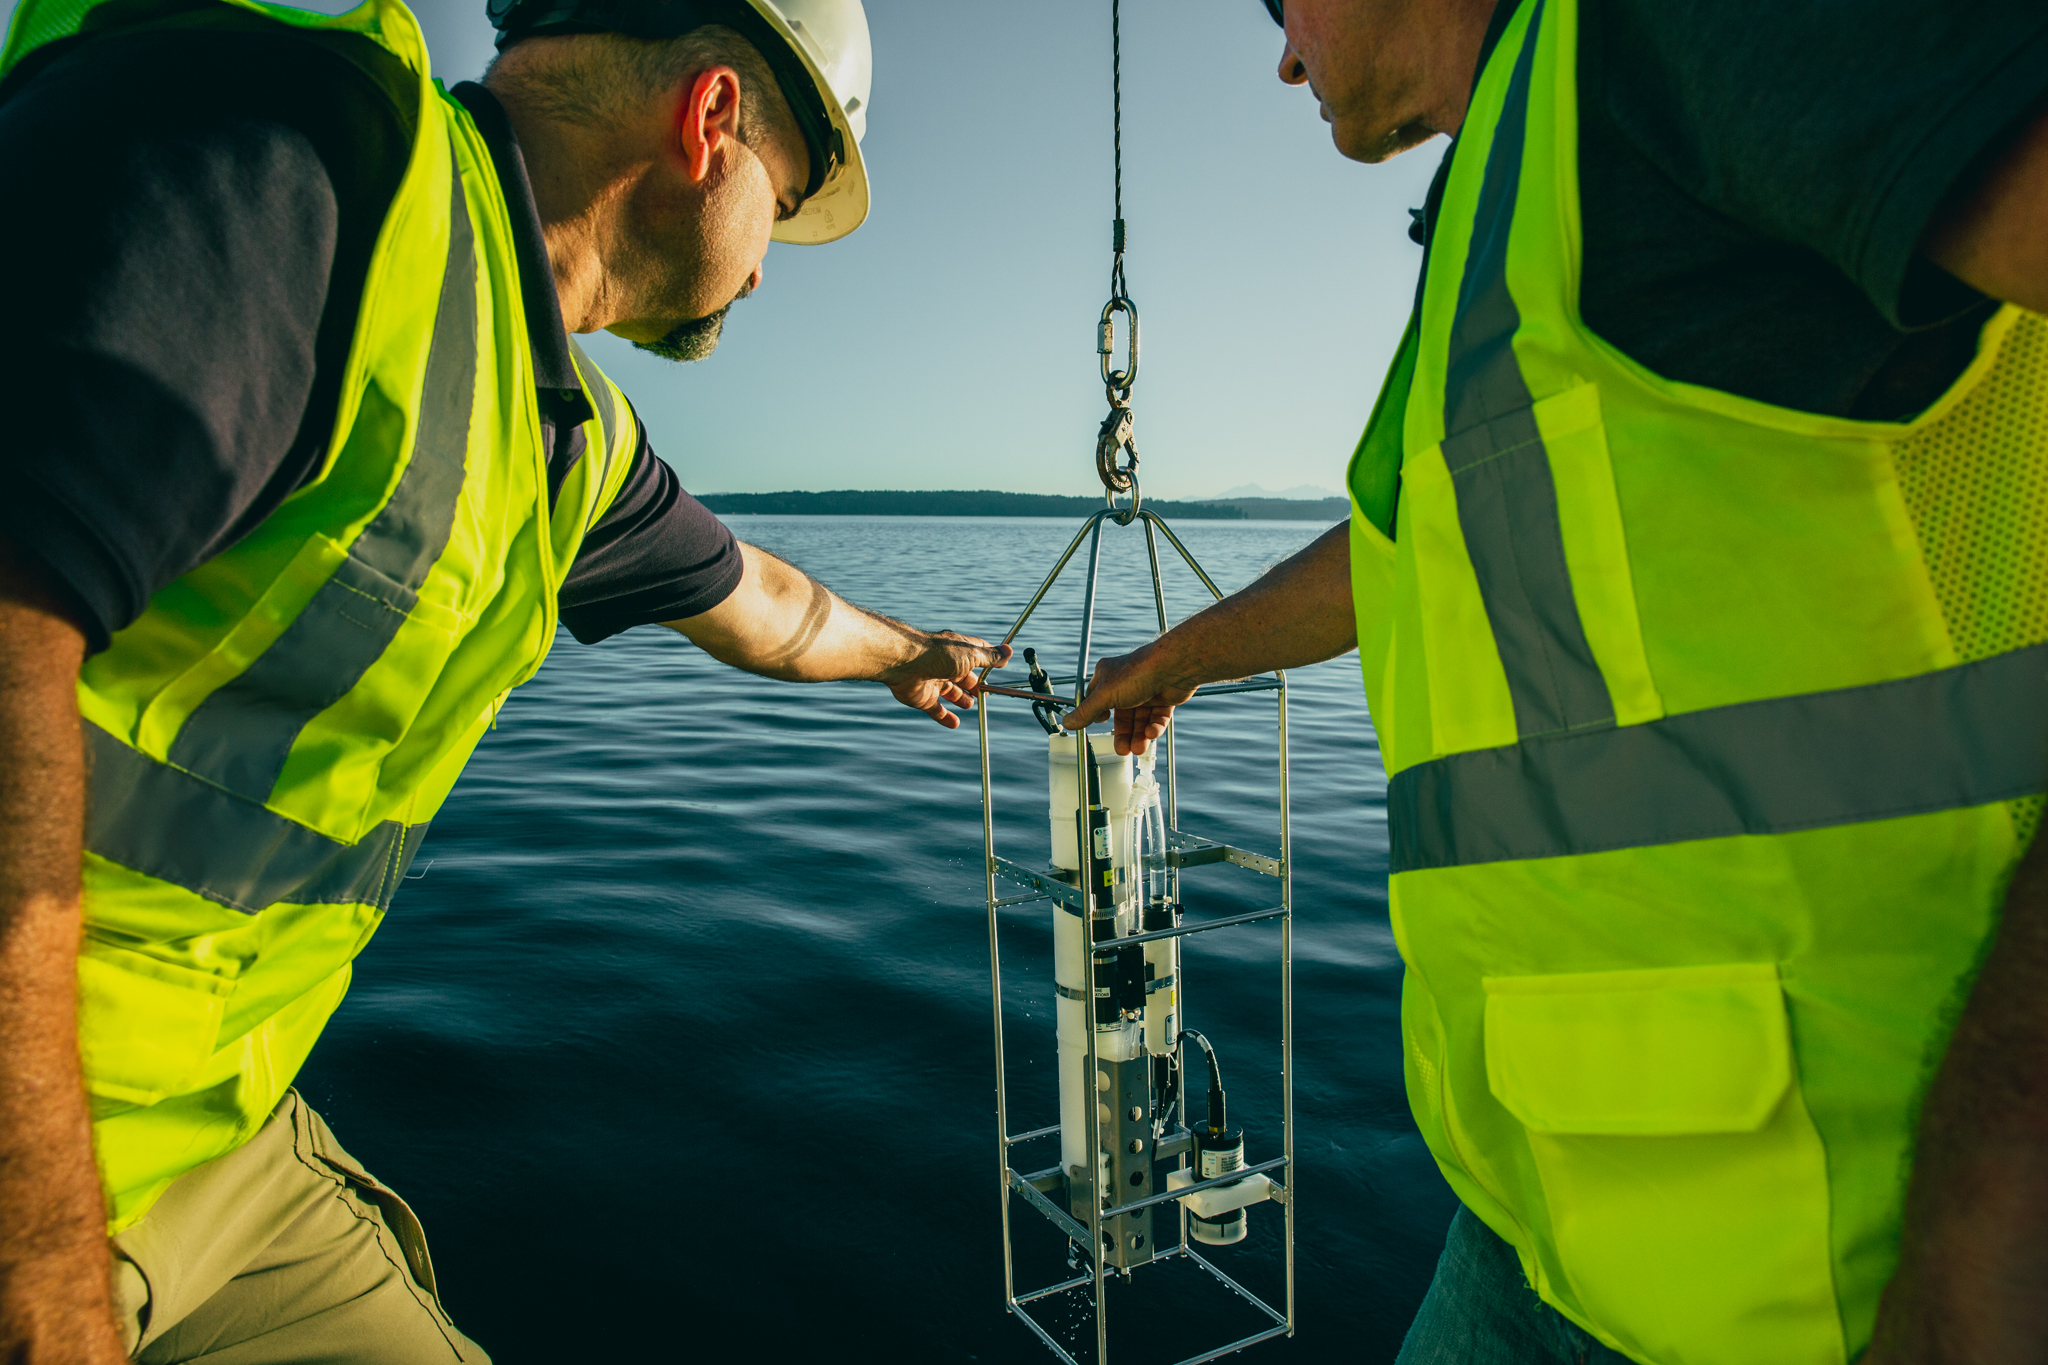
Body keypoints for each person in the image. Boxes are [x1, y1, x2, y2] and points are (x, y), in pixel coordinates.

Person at [0, 0, 1007, 1357]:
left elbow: (765, 605)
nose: (770, 271)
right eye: (790, 199)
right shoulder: (302, 159)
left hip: (211, 1140)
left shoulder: (563, 436)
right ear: (711, 123)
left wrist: (916, 656)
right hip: (43, 1156)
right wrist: (39, 1257)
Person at [1066, 0, 2048, 1360]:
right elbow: (1420, 541)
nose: (1285, 55)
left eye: (1282, 3)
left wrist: (1999, 1216)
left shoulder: (1679, 35)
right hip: (1540, 1225)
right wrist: (1185, 653)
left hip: (1869, 1269)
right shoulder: (1513, 198)